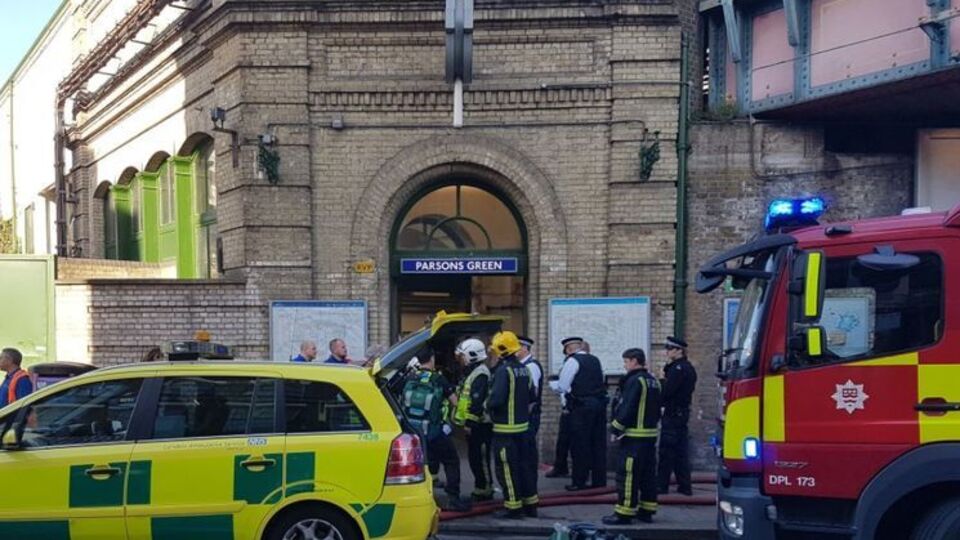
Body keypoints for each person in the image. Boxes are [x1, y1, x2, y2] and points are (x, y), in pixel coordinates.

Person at [401, 346, 470, 512]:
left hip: (414, 432)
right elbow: (455, 402)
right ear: (432, 359)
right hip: (434, 431)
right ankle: (453, 498)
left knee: (424, 462)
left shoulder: (410, 377)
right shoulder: (439, 379)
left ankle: (424, 498)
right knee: (451, 461)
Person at [603, 348, 661, 525]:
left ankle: (624, 512)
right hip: (650, 436)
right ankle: (647, 510)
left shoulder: (635, 381)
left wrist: (615, 428)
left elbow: (627, 407)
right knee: (648, 475)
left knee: (628, 475)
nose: (625, 365)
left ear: (635, 361)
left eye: (626, 361)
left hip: (634, 437)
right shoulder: (654, 381)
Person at [487, 331, 538, 519]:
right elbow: (533, 396)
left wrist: (486, 405)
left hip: (504, 432)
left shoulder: (503, 371)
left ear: (501, 350)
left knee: (507, 470)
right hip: (523, 431)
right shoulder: (525, 369)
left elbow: (496, 400)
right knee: (525, 468)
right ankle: (531, 505)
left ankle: (513, 508)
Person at [549, 336, 607, 491]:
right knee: (597, 444)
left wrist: (554, 385)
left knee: (580, 445)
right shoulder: (595, 360)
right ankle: (599, 480)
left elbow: (562, 386)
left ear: (568, 349)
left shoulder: (572, 361)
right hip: (599, 406)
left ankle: (579, 481)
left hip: (581, 408)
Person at [452, 338, 494, 502]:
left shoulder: (481, 373)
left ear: (472, 355)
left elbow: (476, 401)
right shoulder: (473, 372)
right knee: (474, 458)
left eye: (462, 356)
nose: (461, 360)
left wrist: (469, 423)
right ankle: (480, 487)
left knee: (480, 458)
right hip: (475, 424)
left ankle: (485, 489)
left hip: (480, 425)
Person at [658, 336, 698, 496]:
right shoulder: (687, 367)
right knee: (681, 452)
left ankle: (661, 485)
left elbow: (667, 392)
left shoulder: (678, 369)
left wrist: (662, 380)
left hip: (673, 413)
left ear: (678, 351)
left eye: (669, 349)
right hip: (682, 413)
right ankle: (684, 486)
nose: (667, 352)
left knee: (667, 451)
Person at [518, 336, 543, 496]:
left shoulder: (531, 366)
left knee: (527, 455)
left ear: (525, 348)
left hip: (529, 417)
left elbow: (530, 396)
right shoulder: (522, 366)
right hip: (525, 417)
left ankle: (529, 490)